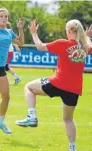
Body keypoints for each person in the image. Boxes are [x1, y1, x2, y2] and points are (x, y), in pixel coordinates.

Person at [15, 19, 92, 151]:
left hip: (58, 83)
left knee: (29, 87)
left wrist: (33, 33)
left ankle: (31, 116)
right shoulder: (85, 46)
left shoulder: (63, 43)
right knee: (68, 120)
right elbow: (87, 43)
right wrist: (88, 36)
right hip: (74, 89)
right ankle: (72, 148)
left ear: (68, 31)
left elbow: (40, 47)